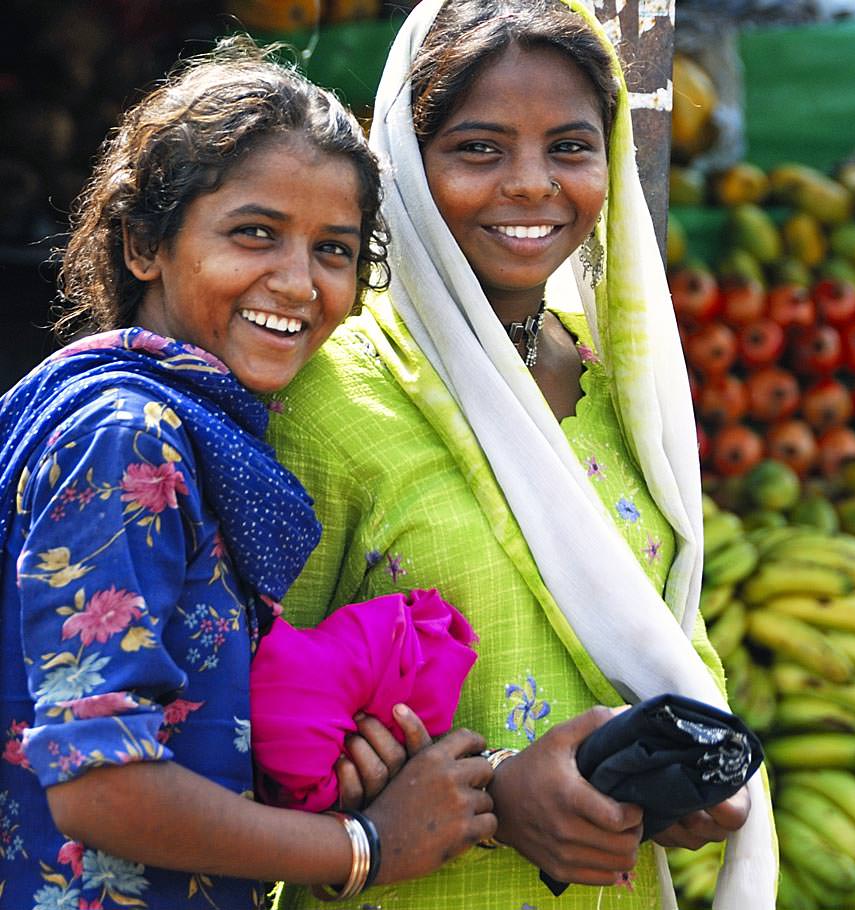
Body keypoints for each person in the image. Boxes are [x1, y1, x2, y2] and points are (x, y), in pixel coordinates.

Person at [267, 1, 777, 908]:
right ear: (404, 163)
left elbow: (672, 639)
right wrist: (497, 793)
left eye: (570, 147)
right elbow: (241, 721)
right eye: (479, 149)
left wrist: (689, 767)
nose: (533, 185)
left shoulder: (622, 390)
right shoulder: (326, 399)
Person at [0, 37, 497, 910]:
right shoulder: (131, 439)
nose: (299, 284)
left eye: (334, 250)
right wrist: (367, 846)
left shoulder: (193, 434)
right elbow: (99, 785)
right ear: (144, 244)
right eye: (255, 234)